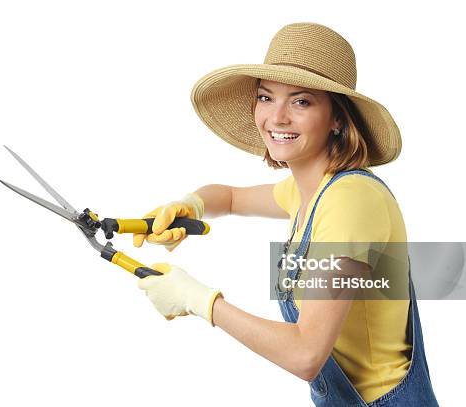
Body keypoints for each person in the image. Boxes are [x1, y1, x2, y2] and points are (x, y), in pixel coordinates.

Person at [133, 23, 439, 406]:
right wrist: (188, 206)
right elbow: (228, 198)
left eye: (301, 101)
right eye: (265, 97)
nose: (276, 117)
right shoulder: (309, 191)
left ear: (337, 119)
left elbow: (306, 354)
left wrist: (200, 301)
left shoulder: (350, 201)